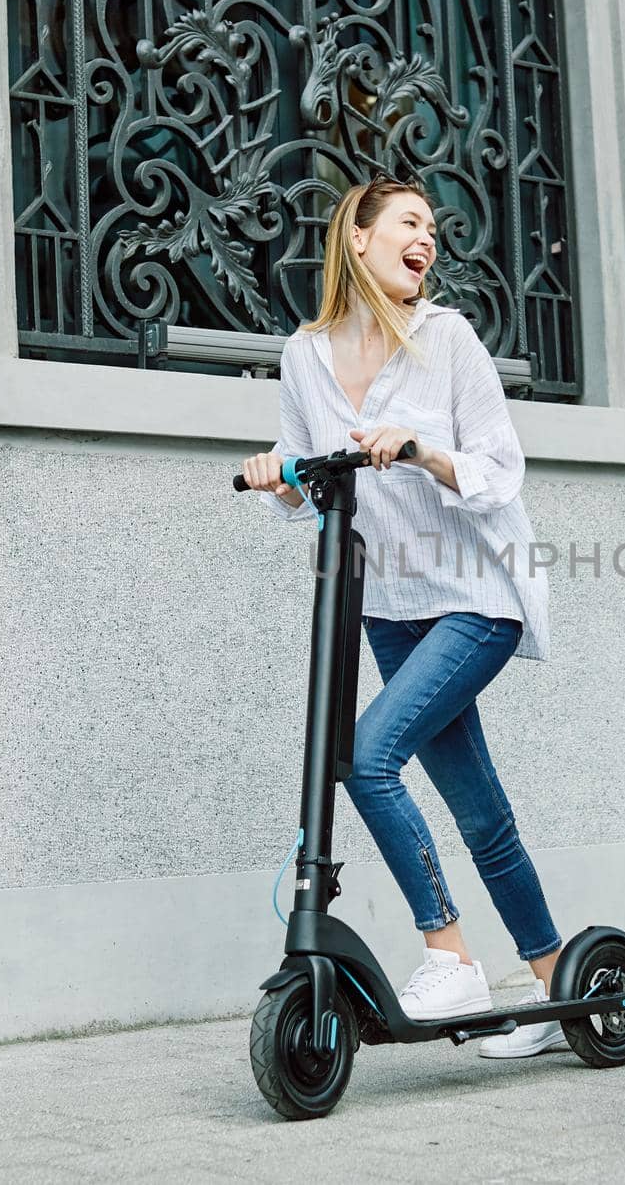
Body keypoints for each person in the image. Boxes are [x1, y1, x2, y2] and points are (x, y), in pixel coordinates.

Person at [241, 174, 565, 1059]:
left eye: (432, 229)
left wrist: (421, 451)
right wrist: (281, 472)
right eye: (409, 224)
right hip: (388, 606)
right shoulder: (304, 354)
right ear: (359, 238)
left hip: (474, 596)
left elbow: (501, 468)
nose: (426, 240)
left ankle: (448, 951)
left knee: (366, 757)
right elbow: (313, 479)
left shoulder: (447, 338)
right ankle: (554, 981)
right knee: (480, 810)